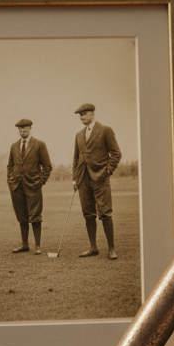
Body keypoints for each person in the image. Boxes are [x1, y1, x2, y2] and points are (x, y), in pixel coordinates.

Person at [72, 102, 121, 258]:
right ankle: (93, 248)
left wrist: (107, 171)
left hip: (101, 178)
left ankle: (111, 249)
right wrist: (75, 178)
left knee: (105, 213)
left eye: (84, 114)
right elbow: (76, 159)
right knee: (88, 214)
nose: (81, 117)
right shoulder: (79, 135)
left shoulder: (105, 130)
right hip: (83, 180)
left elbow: (116, 153)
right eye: (80, 115)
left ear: (92, 114)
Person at [7, 119, 52, 255]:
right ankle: (24, 245)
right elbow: (10, 166)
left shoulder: (39, 144)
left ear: (30, 128)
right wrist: (11, 181)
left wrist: (40, 181)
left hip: (33, 186)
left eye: (25, 128)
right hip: (17, 186)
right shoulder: (14, 146)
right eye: (20, 128)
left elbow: (47, 166)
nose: (22, 131)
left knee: (35, 216)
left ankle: (37, 246)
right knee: (22, 216)